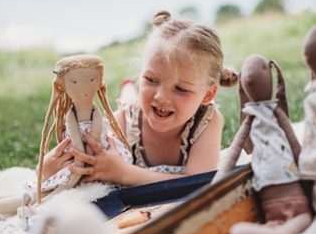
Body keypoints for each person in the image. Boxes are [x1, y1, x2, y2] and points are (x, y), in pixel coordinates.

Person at [56, 10, 237, 185]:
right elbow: (89, 166)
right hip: (133, 109)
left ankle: (130, 87)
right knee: (128, 102)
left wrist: (124, 173)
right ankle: (128, 86)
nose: (161, 97)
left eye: (181, 89)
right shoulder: (123, 123)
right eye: (151, 79)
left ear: (207, 95)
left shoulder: (208, 121)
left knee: (133, 99)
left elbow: (197, 182)